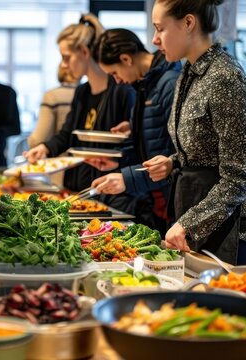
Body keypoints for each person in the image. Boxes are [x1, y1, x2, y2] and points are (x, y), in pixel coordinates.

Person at [144, 0, 246, 265]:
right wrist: (173, 162)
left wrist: (189, 224)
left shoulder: (224, 77)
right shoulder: (189, 72)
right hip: (204, 224)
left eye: (160, 29)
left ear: (189, 23)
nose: (155, 39)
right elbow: (206, 151)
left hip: (236, 233)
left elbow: (238, 177)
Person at [25, 14, 135, 193]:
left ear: (85, 52)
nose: (64, 65)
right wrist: (45, 148)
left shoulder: (122, 90)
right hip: (78, 189)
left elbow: (129, 147)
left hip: (108, 191)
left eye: (67, 57)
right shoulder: (82, 92)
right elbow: (67, 134)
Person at [88, 28, 181, 233]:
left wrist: (127, 179)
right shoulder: (145, 85)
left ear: (126, 59)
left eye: (114, 73)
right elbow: (150, 144)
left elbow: (176, 155)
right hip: (156, 196)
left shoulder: (168, 83)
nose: (117, 80)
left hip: (171, 200)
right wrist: (117, 160)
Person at [27, 63, 80, 148]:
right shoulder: (88, 95)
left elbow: (39, 138)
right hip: (84, 156)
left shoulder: (52, 96)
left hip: (58, 156)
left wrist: (30, 141)